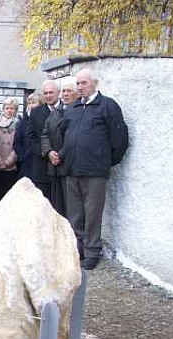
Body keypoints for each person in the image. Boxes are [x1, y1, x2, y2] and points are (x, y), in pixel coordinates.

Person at [58, 68, 129, 270]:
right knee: (75, 215)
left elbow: (119, 139)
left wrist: (104, 161)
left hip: (95, 172)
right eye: (78, 84)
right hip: (72, 171)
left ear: (94, 83)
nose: (80, 87)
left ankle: (91, 252)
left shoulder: (107, 106)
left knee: (92, 215)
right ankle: (77, 251)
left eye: (84, 83)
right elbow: (66, 136)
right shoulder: (73, 109)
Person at [40, 77, 78, 217]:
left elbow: (74, 138)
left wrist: (60, 155)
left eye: (69, 91)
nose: (65, 94)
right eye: (63, 91)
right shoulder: (56, 112)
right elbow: (44, 135)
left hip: (71, 168)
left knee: (72, 209)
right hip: (55, 168)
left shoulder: (80, 110)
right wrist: (49, 152)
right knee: (57, 207)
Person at [26, 80, 60, 201]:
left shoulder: (66, 109)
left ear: (58, 92)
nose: (48, 96)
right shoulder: (36, 112)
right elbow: (30, 137)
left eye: (51, 92)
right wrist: (44, 152)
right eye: (45, 93)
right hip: (41, 167)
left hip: (61, 164)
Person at [0, 97, 20, 207]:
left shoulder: (19, 124)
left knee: (9, 196)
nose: (9, 110)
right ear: (3, 109)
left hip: (11, 167)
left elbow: (18, 145)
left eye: (12, 108)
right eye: (7, 108)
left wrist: (8, 162)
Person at [13, 92, 44, 179]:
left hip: (41, 163)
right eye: (29, 103)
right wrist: (23, 157)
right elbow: (17, 142)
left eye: (33, 103)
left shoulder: (46, 119)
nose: (30, 105)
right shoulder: (23, 121)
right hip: (26, 164)